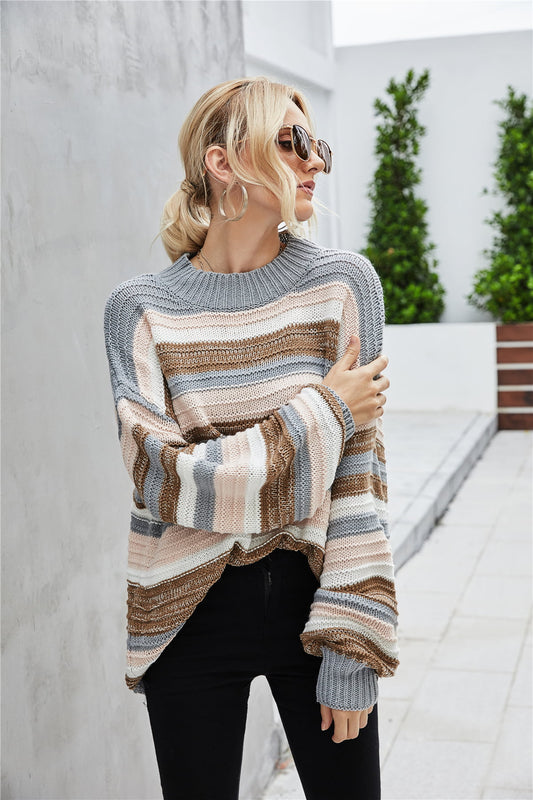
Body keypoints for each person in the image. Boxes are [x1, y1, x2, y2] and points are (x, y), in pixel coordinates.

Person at [103, 76, 399, 800]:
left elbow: (357, 482)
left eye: (317, 144)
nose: (314, 160)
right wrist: (324, 413)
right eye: (292, 142)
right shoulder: (139, 311)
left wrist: (354, 642)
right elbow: (162, 481)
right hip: (184, 609)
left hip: (315, 599)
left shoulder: (342, 286)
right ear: (223, 162)